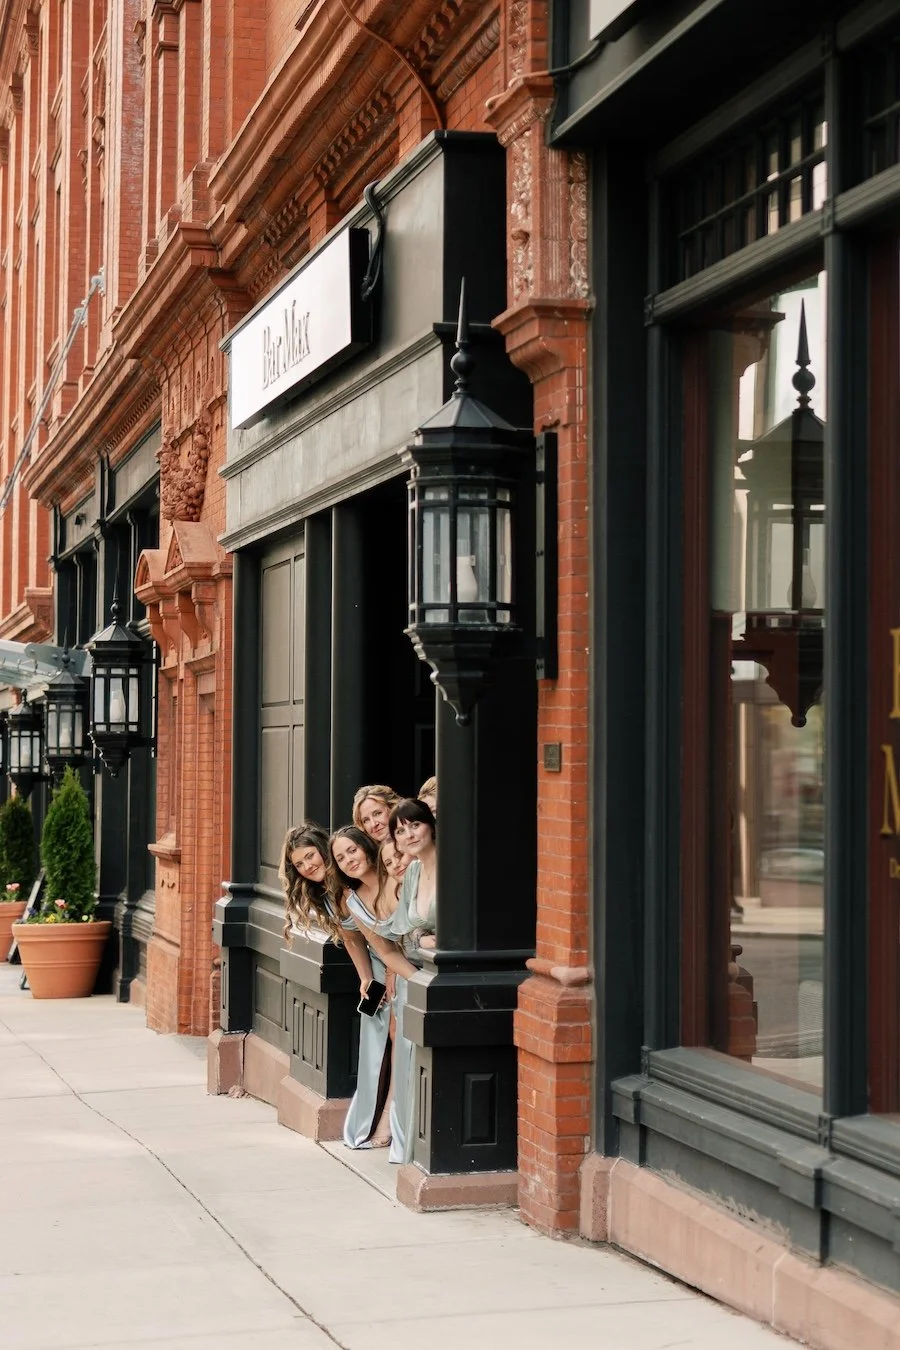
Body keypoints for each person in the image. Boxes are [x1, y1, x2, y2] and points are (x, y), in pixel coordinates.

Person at [329, 825, 415, 1152]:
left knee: (399, 1031)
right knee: (392, 1030)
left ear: (366, 847)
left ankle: (395, 1120)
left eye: (352, 850)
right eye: (340, 858)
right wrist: (383, 975)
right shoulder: (353, 901)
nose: (349, 860)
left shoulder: (397, 877)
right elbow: (385, 949)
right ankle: (388, 1116)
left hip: (427, 961)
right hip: (402, 968)